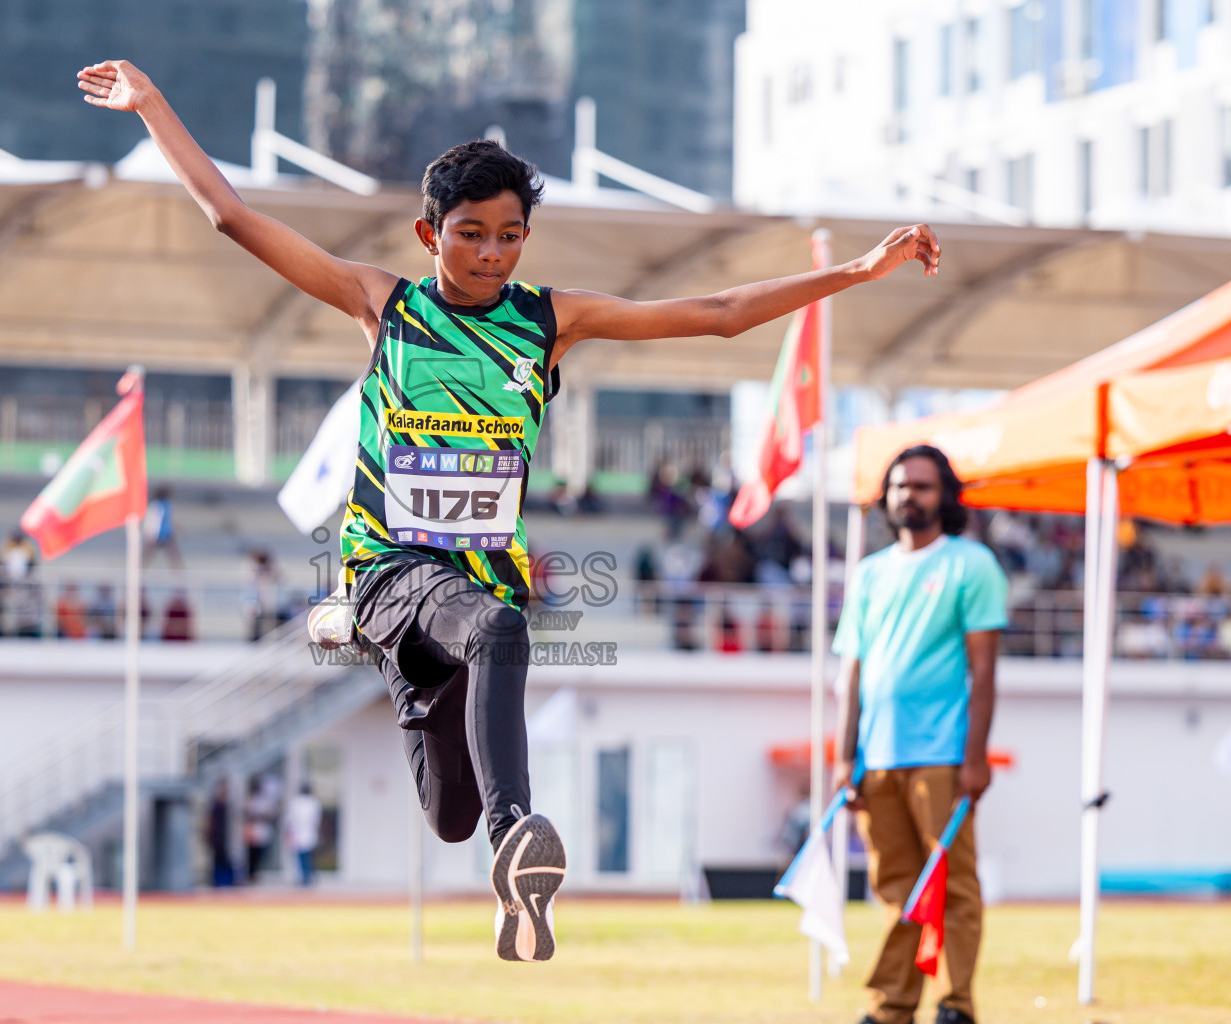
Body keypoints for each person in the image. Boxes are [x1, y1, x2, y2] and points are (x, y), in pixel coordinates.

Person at [78, 57, 940, 961]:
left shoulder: (547, 320)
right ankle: (515, 843)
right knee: (498, 631)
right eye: (471, 235)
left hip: (469, 590)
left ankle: (434, 731)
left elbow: (720, 312)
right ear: (428, 233)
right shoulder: (387, 306)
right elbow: (234, 216)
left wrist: (859, 269)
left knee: (446, 804)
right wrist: (154, 106)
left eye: (509, 236)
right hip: (389, 568)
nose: (491, 254)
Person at [832, 445, 1007, 1024]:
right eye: (901, 486)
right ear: (887, 497)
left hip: (943, 756)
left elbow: (984, 670)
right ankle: (892, 1006)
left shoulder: (971, 564)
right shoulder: (869, 572)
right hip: (875, 759)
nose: (910, 496)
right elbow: (850, 671)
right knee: (895, 888)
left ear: (946, 496)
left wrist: (976, 757)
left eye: (923, 487)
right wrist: (843, 757)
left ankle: (955, 1004)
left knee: (953, 885)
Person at [284, 782, 324, 887]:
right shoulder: (313, 802)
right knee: (307, 856)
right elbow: (316, 820)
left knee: (302, 857)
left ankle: (306, 877)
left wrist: (288, 832)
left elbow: (290, 819)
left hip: (300, 832)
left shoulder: (297, 802)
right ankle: (307, 877)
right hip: (305, 832)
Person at [142, 486, 184, 570]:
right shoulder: (157, 505)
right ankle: (138, 575)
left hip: (165, 535)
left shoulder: (165, 504)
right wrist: (150, 534)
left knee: (174, 556)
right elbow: (153, 521)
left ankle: (181, 575)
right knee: (147, 557)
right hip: (157, 535)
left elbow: (167, 520)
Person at [205, 779, 235, 887]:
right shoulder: (218, 806)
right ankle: (220, 882)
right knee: (220, 861)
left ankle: (225, 882)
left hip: (223, 839)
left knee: (225, 860)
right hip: (219, 839)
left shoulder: (225, 806)